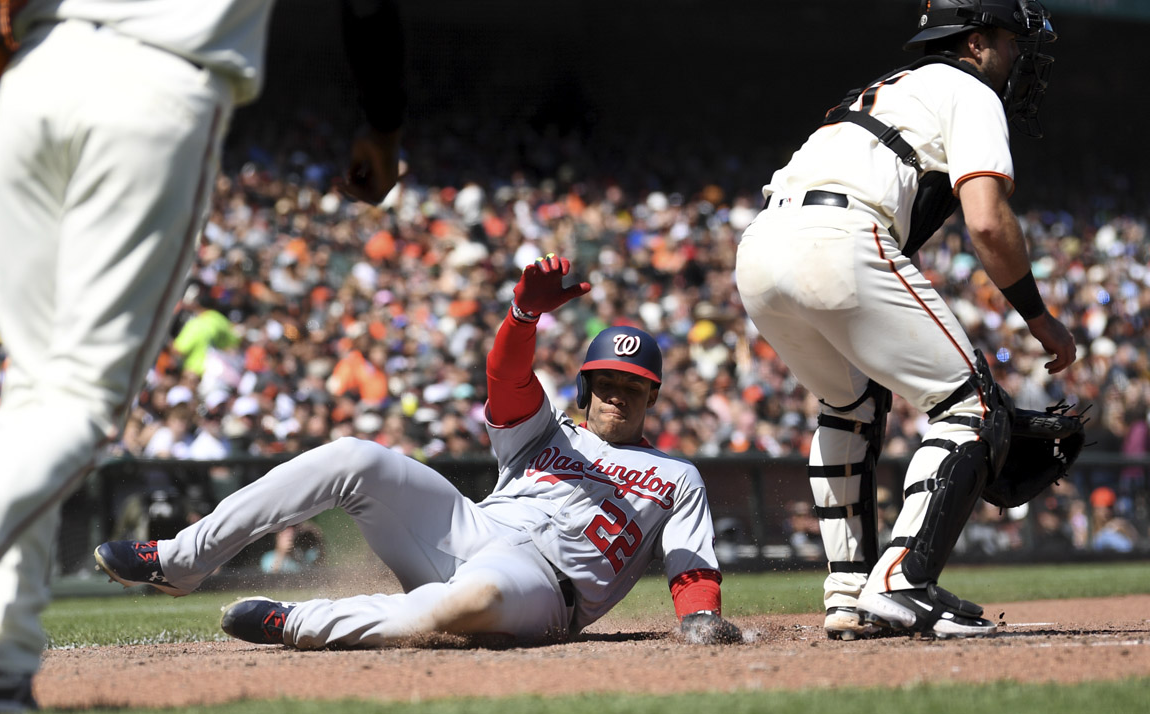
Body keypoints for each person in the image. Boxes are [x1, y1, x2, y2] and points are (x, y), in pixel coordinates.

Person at [0, 1, 406, 714]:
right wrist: (384, 119)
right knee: (83, 404)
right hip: (158, 81)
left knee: (33, 394)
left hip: (40, 72)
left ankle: (3, 665)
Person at [94, 255, 738, 650]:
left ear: (652, 398)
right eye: (609, 384)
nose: (620, 397)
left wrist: (703, 621)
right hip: (471, 527)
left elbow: (692, 568)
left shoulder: (675, 475)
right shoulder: (551, 433)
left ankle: (299, 624)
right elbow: (507, 380)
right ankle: (179, 560)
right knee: (354, 455)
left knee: (469, 604)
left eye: (635, 388)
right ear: (586, 387)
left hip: (542, 587)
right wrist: (521, 316)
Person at [735, 0, 1075, 640]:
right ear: (975, 42)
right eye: (1010, 44)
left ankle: (848, 591)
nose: (1017, 60)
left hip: (759, 247)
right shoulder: (969, 89)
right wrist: (1040, 318)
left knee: (851, 404)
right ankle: (902, 581)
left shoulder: (880, 94)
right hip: (838, 237)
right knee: (973, 403)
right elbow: (986, 219)